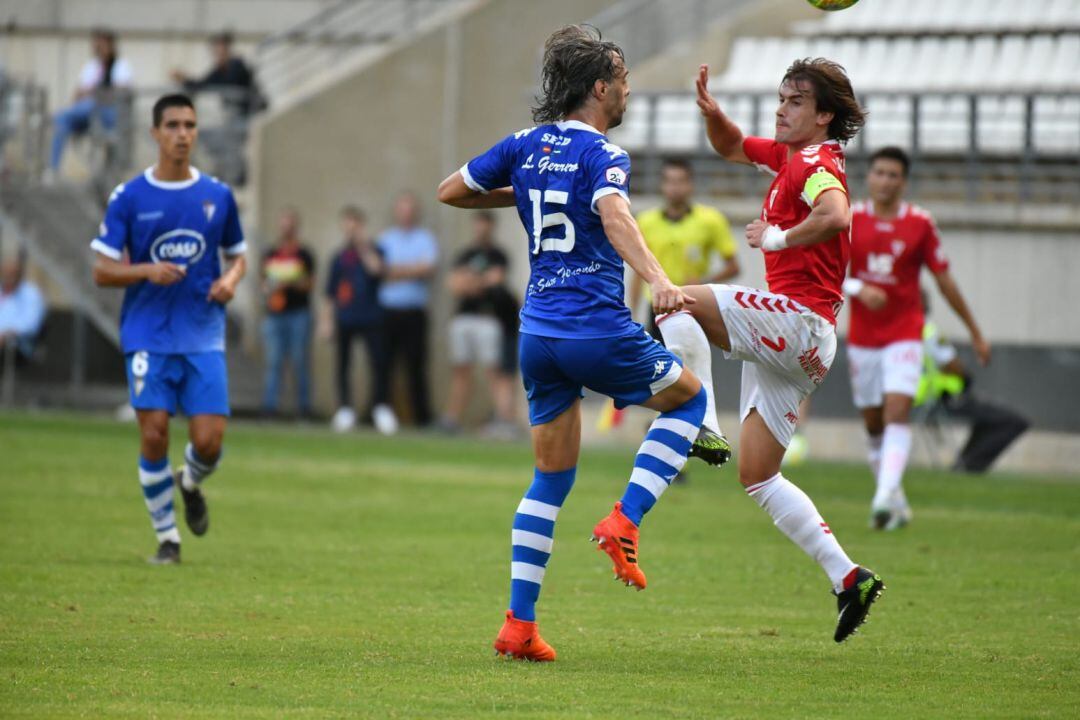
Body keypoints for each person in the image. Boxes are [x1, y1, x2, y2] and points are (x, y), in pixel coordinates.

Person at [437, 25, 728, 662]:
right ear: (599, 88)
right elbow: (617, 215)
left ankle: (519, 626)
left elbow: (451, 190)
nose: (627, 91)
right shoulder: (603, 154)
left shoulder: (523, 144)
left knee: (548, 479)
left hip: (537, 335)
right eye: (622, 81)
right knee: (689, 402)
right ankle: (624, 520)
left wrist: (532, 194)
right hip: (595, 328)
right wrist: (660, 281)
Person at [657, 59, 885, 643]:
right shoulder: (790, 155)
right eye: (781, 98)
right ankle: (849, 577)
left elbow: (836, 214)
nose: (782, 109)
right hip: (809, 341)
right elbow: (732, 145)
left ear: (824, 115)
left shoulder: (813, 160)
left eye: (796, 102)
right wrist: (713, 114)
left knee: (674, 301)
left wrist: (777, 236)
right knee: (758, 476)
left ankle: (700, 422)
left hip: (800, 324)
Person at [90, 94, 247, 565]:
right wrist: (145, 271)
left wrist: (230, 281)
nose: (183, 134)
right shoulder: (130, 197)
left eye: (190, 125)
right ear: (156, 133)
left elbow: (238, 255)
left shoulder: (217, 196)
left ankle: (191, 482)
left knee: (208, 442)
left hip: (202, 331)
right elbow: (101, 270)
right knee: (155, 431)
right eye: (174, 125)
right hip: (147, 332)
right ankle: (168, 539)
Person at [844, 146, 991, 529]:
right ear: (869, 177)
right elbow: (828, 272)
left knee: (896, 412)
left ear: (903, 182)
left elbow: (944, 281)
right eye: (879, 172)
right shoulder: (849, 219)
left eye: (893, 175)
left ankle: (880, 498)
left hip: (905, 333)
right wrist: (859, 288)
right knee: (874, 424)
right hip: (863, 337)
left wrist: (975, 332)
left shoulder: (921, 224)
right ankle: (896, 502)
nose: (885, 181)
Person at [629, 157, 740, 335]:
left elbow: (733, 267)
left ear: (691, 184)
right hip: (659, 304)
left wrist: (702, 283)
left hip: (693, 303)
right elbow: (637, 271)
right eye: (670, 181)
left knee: (694, 361)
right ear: (662, 185)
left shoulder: (711, 220)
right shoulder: (645, 221)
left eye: (681, 181)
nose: (675, 188)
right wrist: (633, 312)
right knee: (660, 361)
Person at [321, 205, 398, 435]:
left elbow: (377, 270)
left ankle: (380, 407)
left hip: (372, 316)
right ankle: (345, 409)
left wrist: (363, 245)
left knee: (379, 364)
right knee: (343, 365)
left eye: (355, 225)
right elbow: (330, 293)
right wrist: (327, 321)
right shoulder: (339, 257)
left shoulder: (375, 250)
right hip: (345, 317)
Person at [916, 316, 1027, 473]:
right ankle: (969, 466)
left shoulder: (896, 328)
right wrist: (967, 378)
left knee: (990, 419)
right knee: (1014, 421)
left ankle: (965, 464)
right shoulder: (927, 329)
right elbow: (951, 363)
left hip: (910, 399)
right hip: (940, 398)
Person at [440, 210, 517, 436]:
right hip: (463, 319)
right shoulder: (464, 254)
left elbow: (495, 279)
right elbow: (455, 285)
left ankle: (505, 420)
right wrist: (477, 280)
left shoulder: (498, 255)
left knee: (494, 371)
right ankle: (452, 418)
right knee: (461, 371)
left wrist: (471, 279)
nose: (480, 229)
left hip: (488, 319)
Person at [377, 192, 438, 427]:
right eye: (402, 208)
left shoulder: (425, 239)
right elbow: (379, 271)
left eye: (410, 209)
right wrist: (409, 270)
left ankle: (421, 417)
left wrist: (396, 272)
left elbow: (427, 269)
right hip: (388, 311)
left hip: (414, 312)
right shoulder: (386, 239)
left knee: (416, 366)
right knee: (384, 365)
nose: (406, 213)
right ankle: (379, 412)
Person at [49, 28, 134, 178]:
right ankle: (52, 170)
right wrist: (94, 91)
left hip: (108, 115)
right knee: (62, 124)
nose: (97, 48)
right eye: (96, 45)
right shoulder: (91, 65)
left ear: (110, 45)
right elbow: (79, 93)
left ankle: (56, 116)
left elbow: (119, 91)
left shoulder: (120, 65)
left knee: (86, 107)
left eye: (101, 45)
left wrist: (95, 91)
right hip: (87, 116)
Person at [260, 207, 315, 418]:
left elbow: (308, 284)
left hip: (298, 314)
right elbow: (264, 284)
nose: (286, 227)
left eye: (290, 223)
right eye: (283, 223)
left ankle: (303, 407)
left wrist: (288, 281)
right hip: (274, 314)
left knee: (300, 360)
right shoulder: (271, 254)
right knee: (273, 361)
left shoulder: (304, 255)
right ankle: (270, 406)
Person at [171, 31, 263, 117]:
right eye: (216, 50)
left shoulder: (237, 64)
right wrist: (184, 79)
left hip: (253, 112)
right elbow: (202, 84)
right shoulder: (219, 70)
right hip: (238, 114)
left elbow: (232, 81)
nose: (219, 53)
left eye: (222, 49)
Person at [0, 257, 47, 360]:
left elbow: (30, 325)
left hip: (18, 344)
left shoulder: (31, 294)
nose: (8, 278)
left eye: (12, 275)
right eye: (5, 274)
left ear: (19, 275)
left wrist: (6, 333)